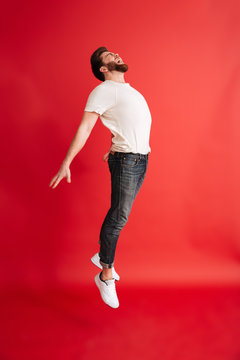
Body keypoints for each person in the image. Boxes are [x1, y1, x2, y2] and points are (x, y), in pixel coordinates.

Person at [49, 46, 152, 309]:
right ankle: (105, 273)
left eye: (115, 53)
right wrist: (66, 162)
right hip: (128, 160)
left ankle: (102, 258)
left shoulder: (125, 90)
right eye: (109, 57)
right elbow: (85, 127)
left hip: (138, 158)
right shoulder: (103, 91)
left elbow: (126, 122)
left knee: (121, 215)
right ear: (103, 69)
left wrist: (114, 145)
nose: (117, 55)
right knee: (119, 216)